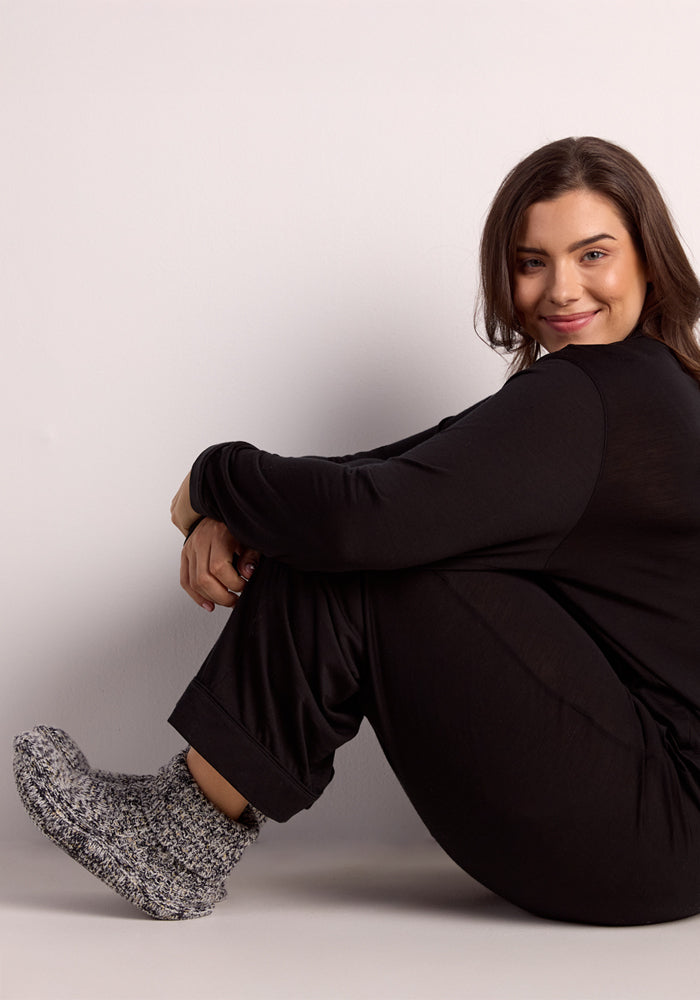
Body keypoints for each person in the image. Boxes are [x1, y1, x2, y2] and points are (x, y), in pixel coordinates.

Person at [14, 136, 700, 926]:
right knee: (352, 522)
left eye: (593, 254)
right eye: (531, 261)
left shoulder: (594, 394)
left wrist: (215, 476)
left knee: (363, 545)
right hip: (652, 834)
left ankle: (181, 834)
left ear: (649, 260)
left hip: (646, 833)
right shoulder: (644, 389)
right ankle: (188, 811)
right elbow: (390, 474)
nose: (561, 289)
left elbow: (364, 514)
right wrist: (238, 506)